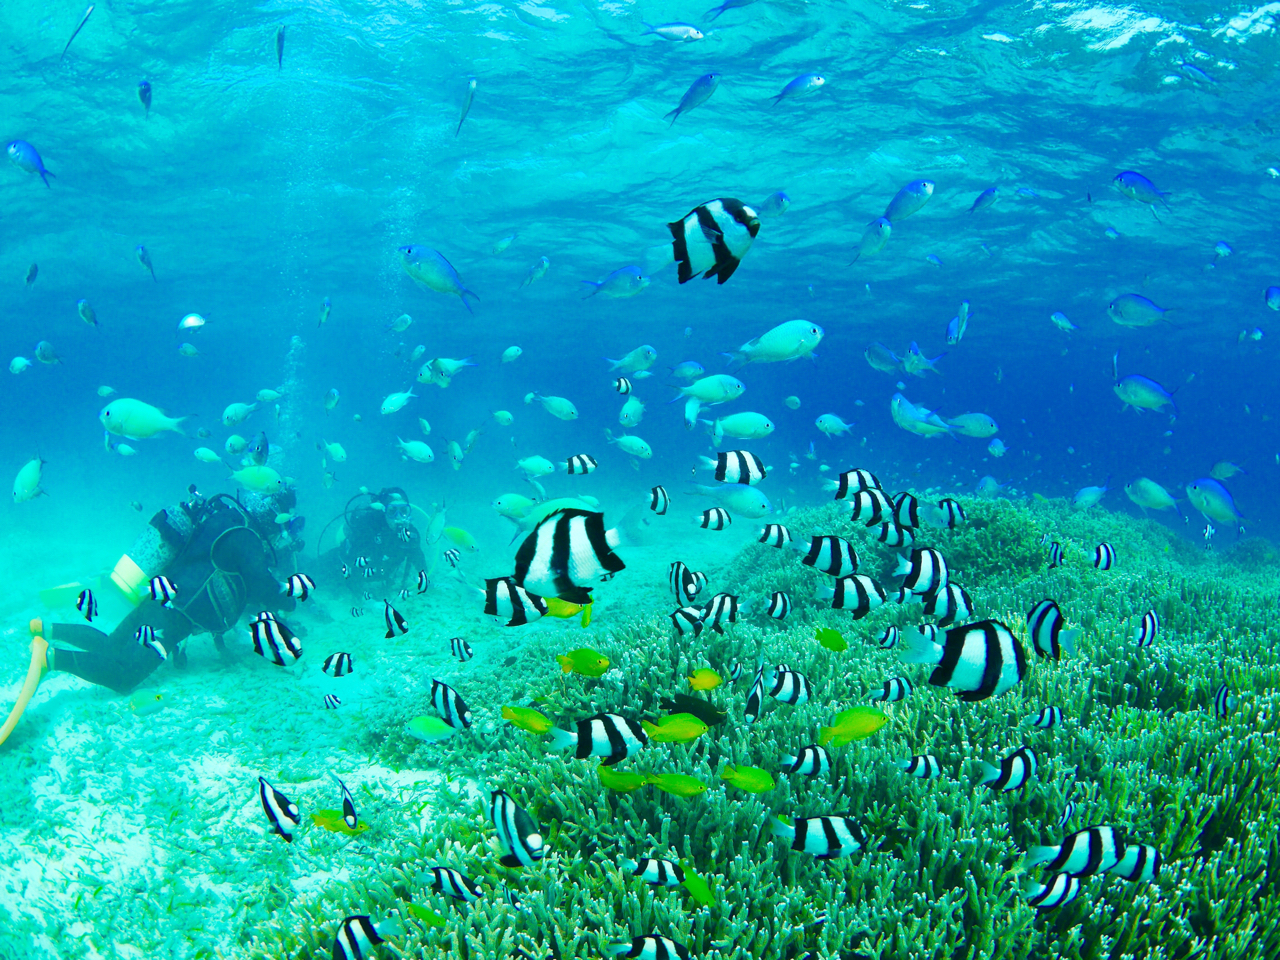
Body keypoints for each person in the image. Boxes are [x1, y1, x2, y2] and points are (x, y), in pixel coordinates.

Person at [5, 485, 304, 715]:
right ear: (270, 511)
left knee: (112, 645)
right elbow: (263, 588)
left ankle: (45, 627)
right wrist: (289, 600)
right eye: (281, 523)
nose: (281, 530)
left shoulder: (223, 519)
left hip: (160, 595)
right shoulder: (245, 536)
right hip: (176, 617)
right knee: (124, 676)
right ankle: (49, 658)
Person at [321, 487, 426, 590]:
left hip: (375, 575)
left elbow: (418, 557)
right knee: (317, 574)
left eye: (403, 511)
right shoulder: (368, 527)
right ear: (383, 510)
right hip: (340, 565)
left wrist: (424, 579)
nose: (398, 517)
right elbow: (350, 558)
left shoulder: (411, 535)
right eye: (392, 511)